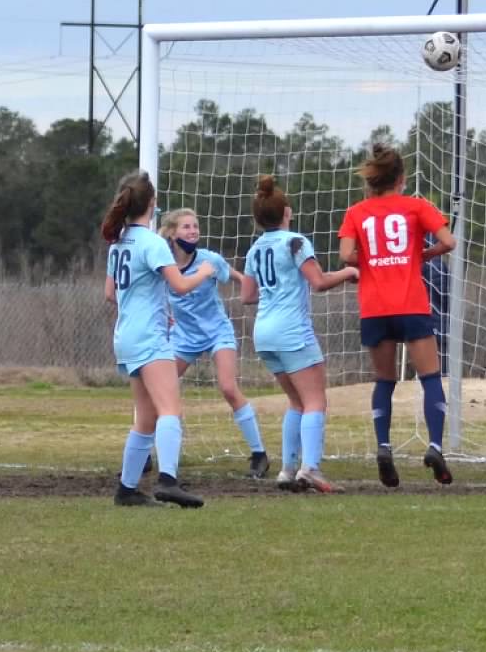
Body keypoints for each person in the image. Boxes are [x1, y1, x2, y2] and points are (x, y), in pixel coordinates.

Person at [339, 144, 458, 486]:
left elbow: (347, 254)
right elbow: (449, 242)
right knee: (431, 377)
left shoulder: (356, 212)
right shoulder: (417, 206)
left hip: (375, 307)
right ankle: (435, 445)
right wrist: (420, 255)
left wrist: (372, 260)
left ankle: (384, 446)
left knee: (385, 381)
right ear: (402, 179)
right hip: (411, 304)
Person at [101, 172, 216, 508]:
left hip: (126, 336)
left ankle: (126, 490)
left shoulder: (120, 242)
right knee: (170, 411)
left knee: (147, 418)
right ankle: (168, 481)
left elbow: (111, 293)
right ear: (151, 204)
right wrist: (204, 272)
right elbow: (179, 286)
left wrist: (151, 306)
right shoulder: (152, 243)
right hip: (149, 338)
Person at [240, 176, 358, 493]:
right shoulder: (296, 242)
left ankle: (287, 469)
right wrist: (348, 272)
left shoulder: (255, 249)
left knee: (296, 402)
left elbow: (248, 296)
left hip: (263, 332)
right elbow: (318, 282)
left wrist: (277, 288)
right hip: (292, 330)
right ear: (287, 212)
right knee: (315, 401)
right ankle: (311, 469)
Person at [158, 208, 267, 480]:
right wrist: (165, 316)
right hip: (184, 337)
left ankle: (259, 454)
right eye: (186, 227)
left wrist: (254, 291)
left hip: (217, 331)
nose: (193, 231)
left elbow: (237, 276)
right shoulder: (162, 263)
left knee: (229, 388)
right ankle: (150, 453)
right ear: (172, 233)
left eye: (196, 226)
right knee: (159, 391)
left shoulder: (209, 260)